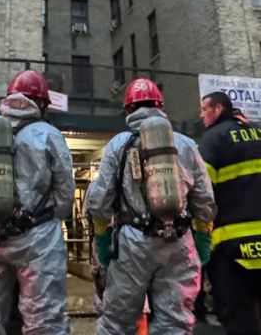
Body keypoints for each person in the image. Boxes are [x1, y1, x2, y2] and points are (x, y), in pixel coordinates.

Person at [86, 78, 216, 335]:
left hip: (133, 244)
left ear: (127, 110)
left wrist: (102, 240)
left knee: (117, 322)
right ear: (161, 106)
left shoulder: (119, 144)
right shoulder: (186, 144)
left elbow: (99, 202)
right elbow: (205, 201)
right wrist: (202, 239)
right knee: (175, 322)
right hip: (179, 243)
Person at [0, 70, 74, 335]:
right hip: (37, 240)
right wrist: (47, 220)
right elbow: (65, 193)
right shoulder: (48, 134)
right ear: (42, 103)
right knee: (44, 321)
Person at [198, 91, 261, 335]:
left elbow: (201, 192)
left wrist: (200, 235)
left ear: (218, 109)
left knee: (239, 314)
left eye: (204, 109)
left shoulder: (214, 139)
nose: (201, 115)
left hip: (233, 248)